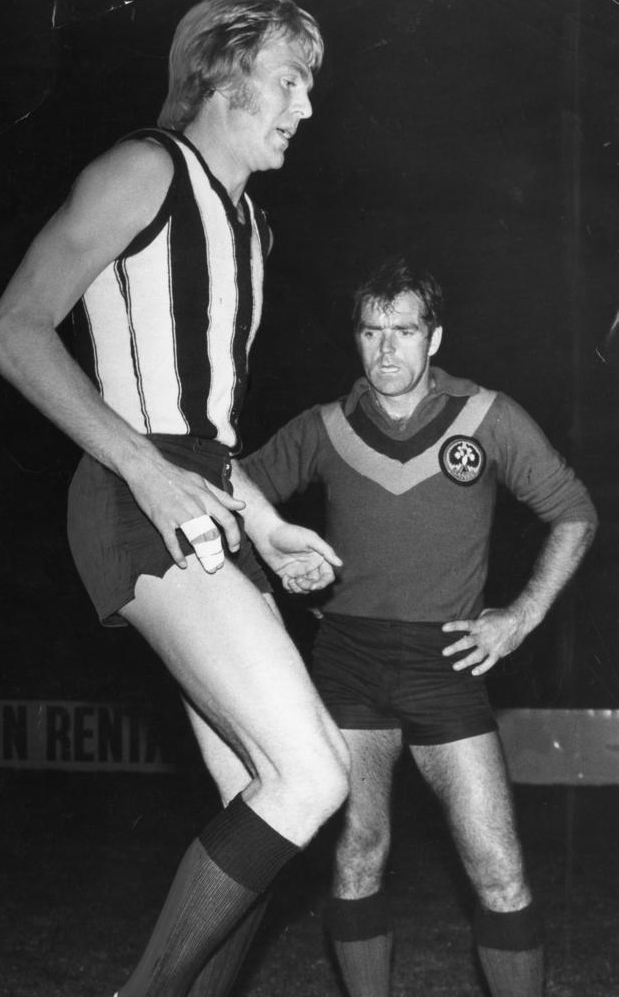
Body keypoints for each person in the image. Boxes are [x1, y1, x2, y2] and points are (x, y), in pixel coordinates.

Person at [0, 1, 352, 996]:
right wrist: (144, 468)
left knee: (260, 806)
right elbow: (13, 332)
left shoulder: (248, 227)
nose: (305, 107)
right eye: (289, 80)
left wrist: (265, 523)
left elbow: (207, 425)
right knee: (311, 776)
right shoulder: (141, 171)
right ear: (224, 75)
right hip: (127, 492)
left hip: (201, 499)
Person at [240, 254, 598, 997]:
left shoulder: (487, 417)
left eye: (404, 331)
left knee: (499, 871)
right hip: (348, 664)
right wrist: (279, 564)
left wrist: (521, 617)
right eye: (372, 333)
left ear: (435, 338)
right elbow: (233, 498)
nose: (387, 350)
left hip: (447, 666)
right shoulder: (324, 427)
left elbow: (575, 513)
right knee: (357, 856)